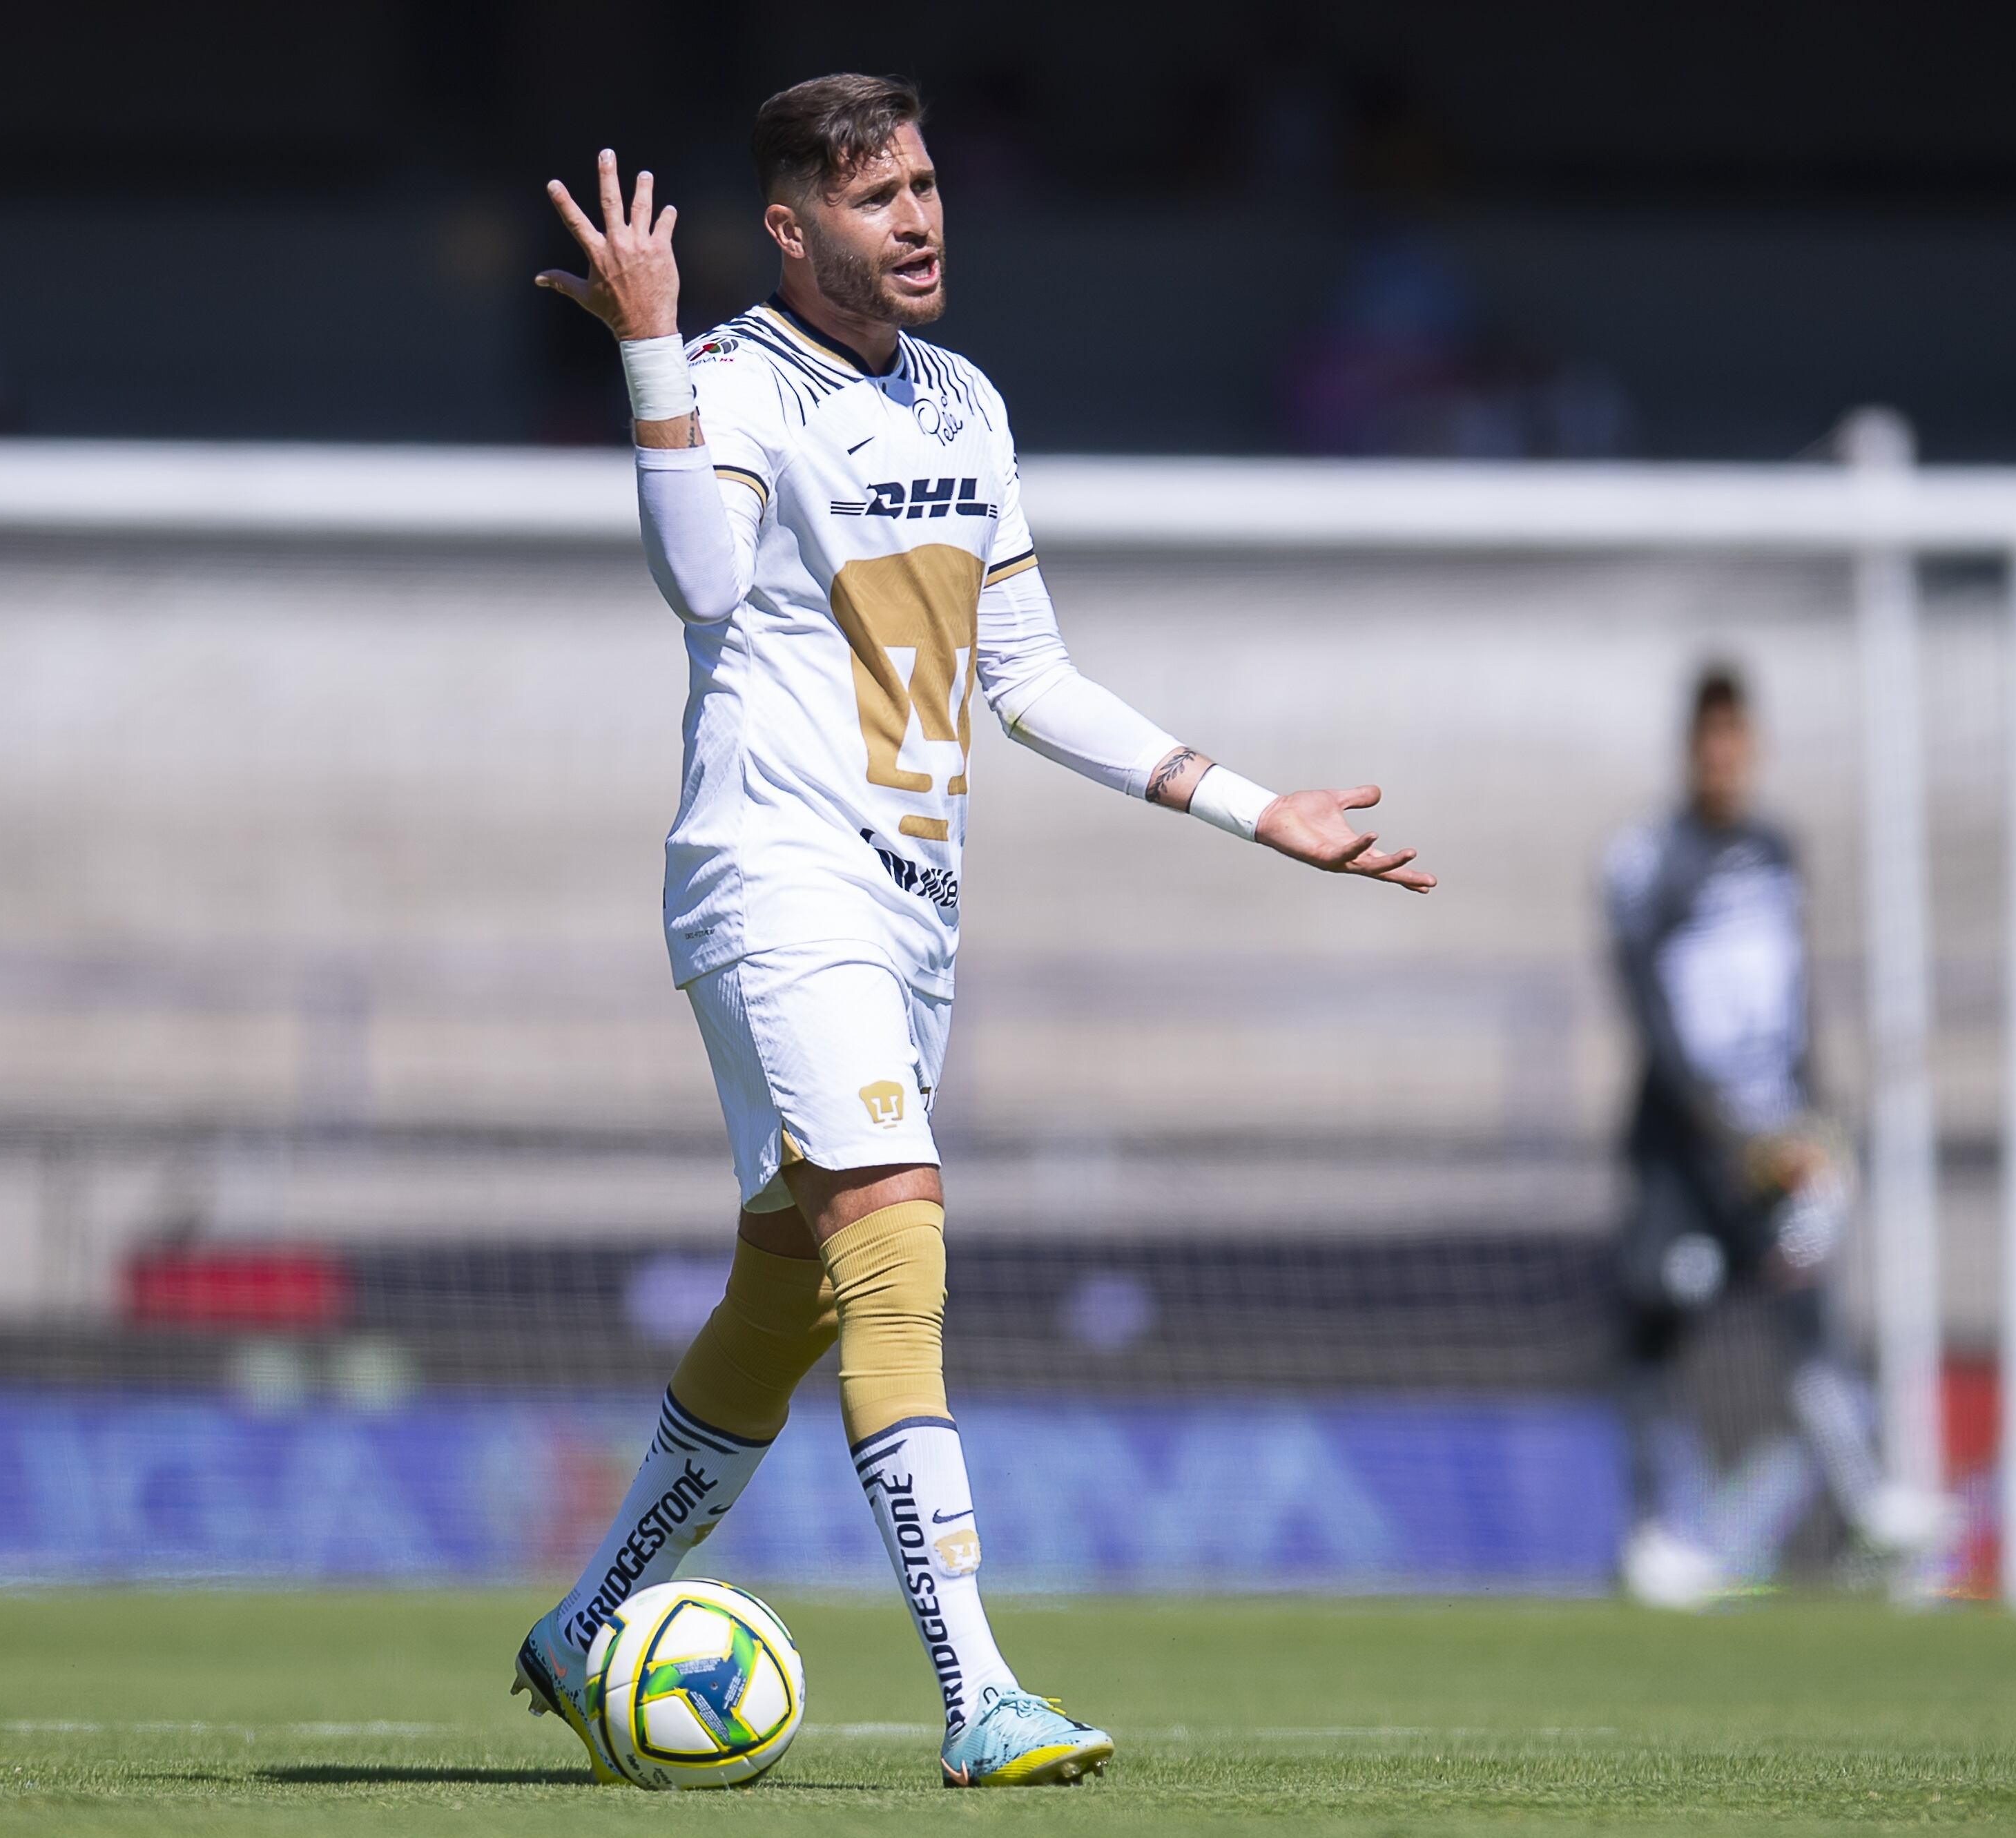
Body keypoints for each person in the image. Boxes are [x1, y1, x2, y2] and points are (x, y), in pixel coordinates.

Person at [512, 74, 1433, 1788]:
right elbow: (700, 585)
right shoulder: (729, 379)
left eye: (927, 184)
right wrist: (645, 348)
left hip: (910, 908)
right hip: (776, 877)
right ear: (790, 229)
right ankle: (979, 1692)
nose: (921, 218)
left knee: (792, 1287)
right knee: (895, 1242)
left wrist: (1253, 807)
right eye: (877, 197)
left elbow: (1029, 676)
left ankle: (587, 1623)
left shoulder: (963, 402)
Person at [1602, 665, 1937, 1610]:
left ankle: (1867, 1503)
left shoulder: (1776, 852)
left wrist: (1812, 1118)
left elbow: (1793, 998)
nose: (1725, 757)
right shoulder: (1650, 858)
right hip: (1685, 1150)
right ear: (1691, 749)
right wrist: (1721, 1130)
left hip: (1778, 1141)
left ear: (1753, 747)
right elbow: (1647, 1008)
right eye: (1710, 740)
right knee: (1658, 1321)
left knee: (1809, 1312)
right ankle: (1651, 1533)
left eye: (1737, 739)